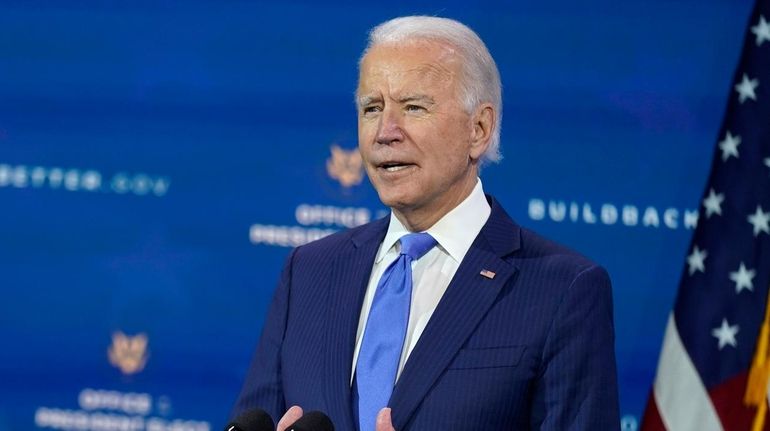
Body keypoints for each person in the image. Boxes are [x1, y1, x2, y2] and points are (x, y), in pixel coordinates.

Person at [233, 15, 619, 431]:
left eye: (413, 107)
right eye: (372, 108)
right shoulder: (309, 270)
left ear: (480, 129)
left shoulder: (562, 289)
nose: (385, 132)